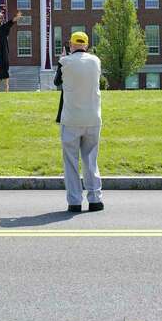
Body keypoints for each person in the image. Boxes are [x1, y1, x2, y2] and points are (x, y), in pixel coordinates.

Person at [54, 31, 103, 213]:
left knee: (71, 162)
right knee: (91, 160)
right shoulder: (96, 61)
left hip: (71, 118)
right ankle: (95, 199)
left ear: (71, 45)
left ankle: (75, 201)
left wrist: (62, 59)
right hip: (93, 117)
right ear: (87, 45)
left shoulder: (65, 62)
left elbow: (57, 81)